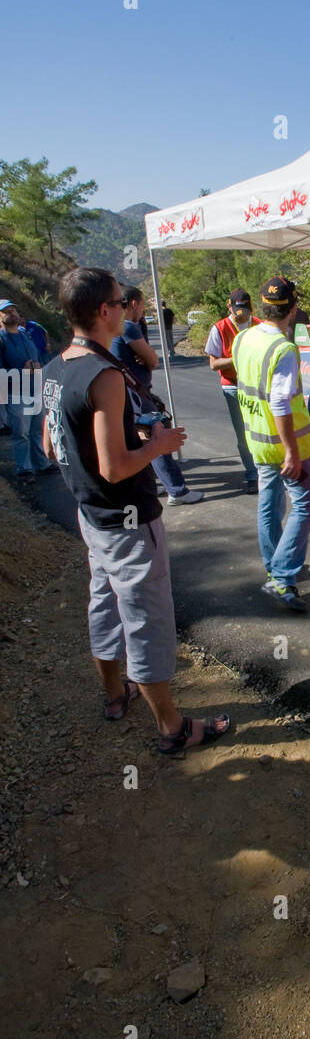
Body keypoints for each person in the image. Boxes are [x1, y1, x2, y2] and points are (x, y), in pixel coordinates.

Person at [42, 267, 231, 754]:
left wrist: (132, 440)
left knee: (103, 604)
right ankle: (171, 727)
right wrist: (159, 444)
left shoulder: (54, 367)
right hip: (127, 518)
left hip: (92, 517)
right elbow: (114, 467)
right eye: (120, 301)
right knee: (146, 619)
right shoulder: (103, 375)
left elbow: (51, 446)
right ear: (104, 311)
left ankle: (114, 694)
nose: (127, 308)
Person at [232, 276, 310, 613]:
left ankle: (274, 564)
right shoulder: (283, 349)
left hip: (257, 440)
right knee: (305, 504)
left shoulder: (243, 339)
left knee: (269, 502)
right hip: (284, 446)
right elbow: (280, 403)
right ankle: (282, 575)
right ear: (292, 309)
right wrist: (292, 453)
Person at [110, 287, 202, 505]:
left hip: (128, 392)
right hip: (136, 394)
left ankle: (151, 483)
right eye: (142, 304)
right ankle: (177, 490)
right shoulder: (129, 327)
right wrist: (145, 357)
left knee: (138, 439)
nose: (144, 309)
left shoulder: (121, 328)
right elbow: (153, 360)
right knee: (157, 436)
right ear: (134, 303)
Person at [204, 289, 260, 494]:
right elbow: (213, 364)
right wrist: (237, 358)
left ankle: (267, 470)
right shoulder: (219, 328)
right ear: (230, 307)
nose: (241, 314)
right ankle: (252, 475)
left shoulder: (259, 325)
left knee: (262, 429)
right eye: (237, 310)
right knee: (243, 433)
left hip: (257, 385)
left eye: (245, 309)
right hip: (233, 386)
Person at [0, 298, 55, 478]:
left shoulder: (25, 335)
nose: (12, 314)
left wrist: (38, 367)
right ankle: (24, 468)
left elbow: (37, 355)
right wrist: (20, 371)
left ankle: (42, 463)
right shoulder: (1, 339)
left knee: (36, 430)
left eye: (13, 310)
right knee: (21, 433)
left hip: (35, 389)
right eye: (6, 311)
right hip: (16, 392)